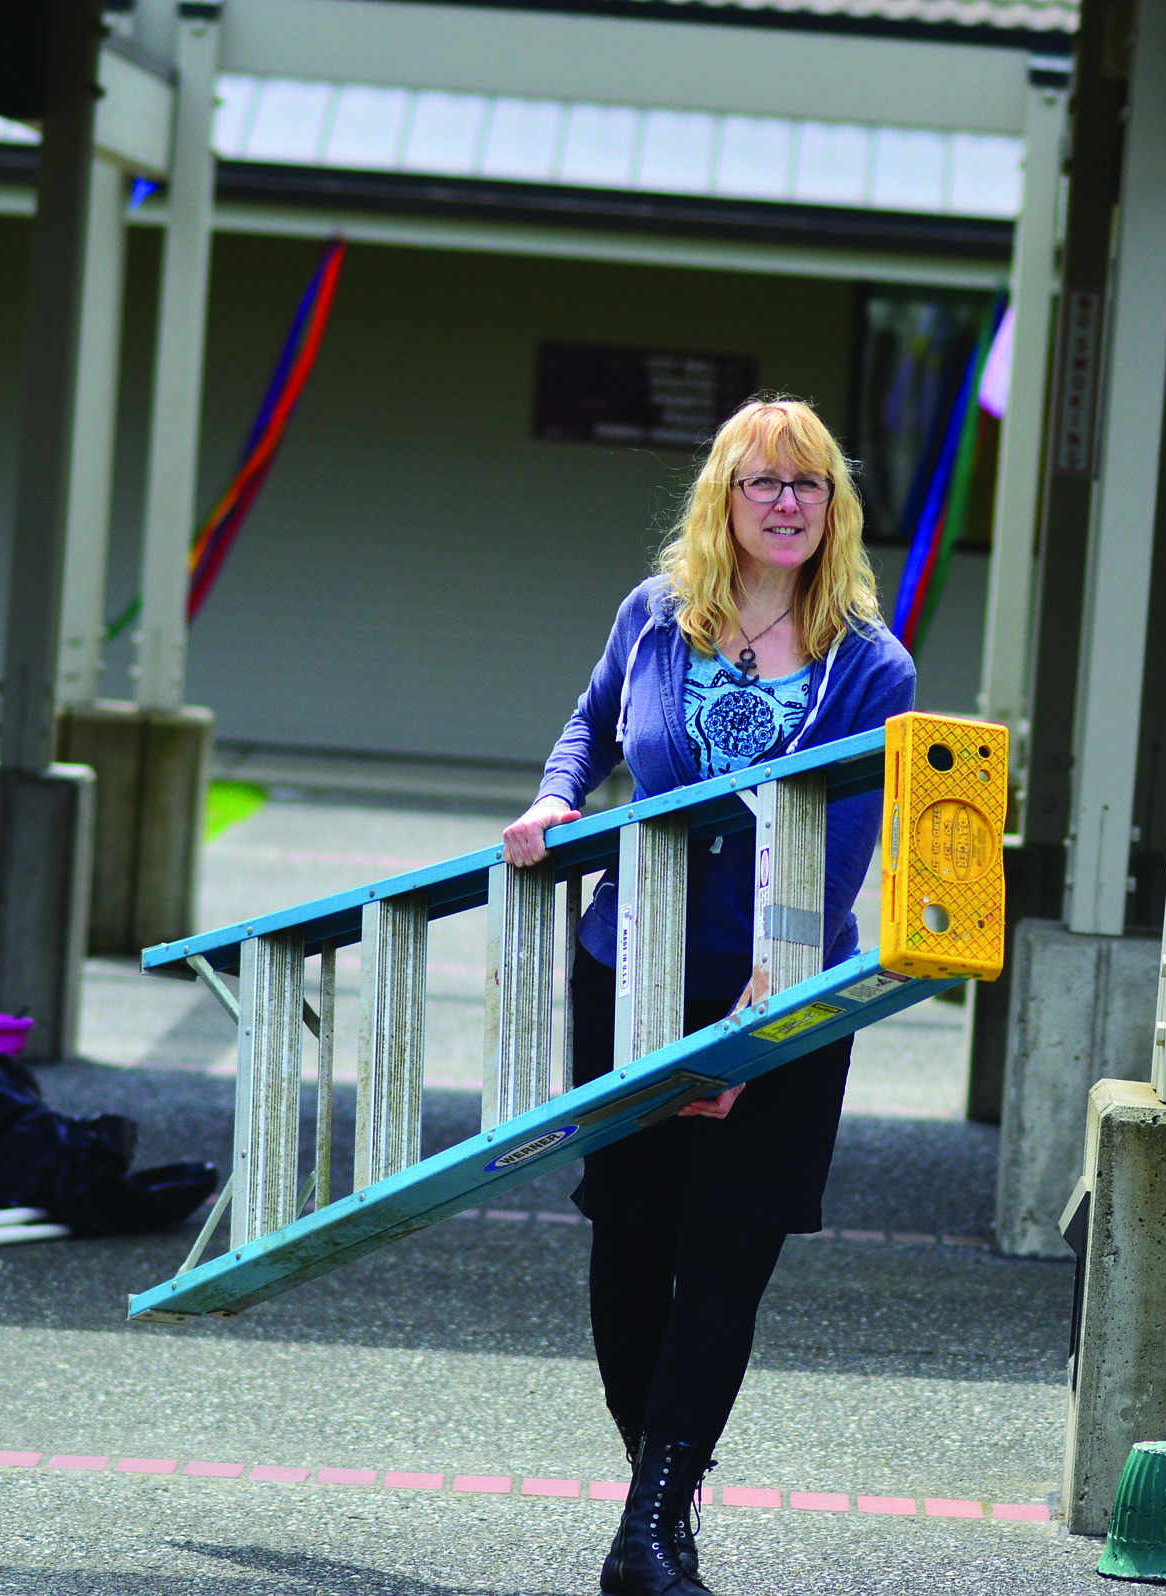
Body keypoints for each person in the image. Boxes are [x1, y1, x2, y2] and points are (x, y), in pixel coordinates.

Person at [501, 398, 914, 1596]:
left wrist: (754, 1029)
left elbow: (844, 850)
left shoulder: (868, 663)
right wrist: (555, 800)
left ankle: (648, 1528)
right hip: (629, 974)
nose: (787, 502)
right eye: (762, 482)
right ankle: (656, 1525)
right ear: (721, 499)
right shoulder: (656, 616)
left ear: (834, 509)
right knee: (632, 1242)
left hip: (778, 1004)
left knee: (727, 1257)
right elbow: (589, 727)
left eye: (810, 484)